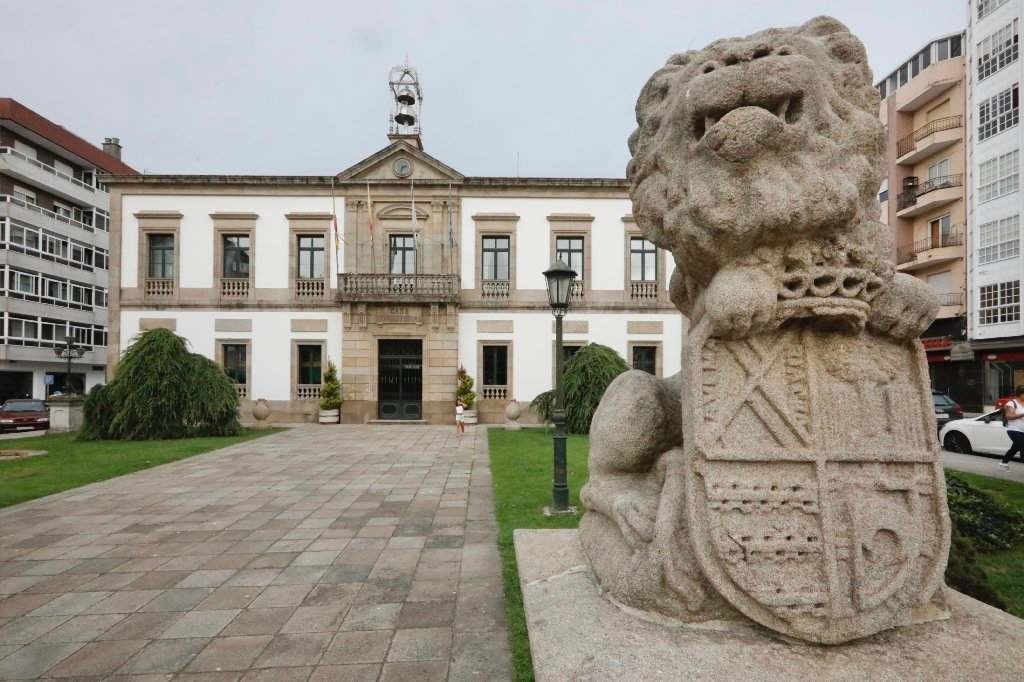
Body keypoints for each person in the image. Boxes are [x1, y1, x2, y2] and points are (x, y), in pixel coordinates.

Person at [1000, 386, 1024, 470]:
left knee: (1015, 448)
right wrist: (1022, 414)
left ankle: (1003, 463)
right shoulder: (1011, 403)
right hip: (1014, 430)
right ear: (1020, 394)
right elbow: (1009, 416)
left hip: (1022, 431)